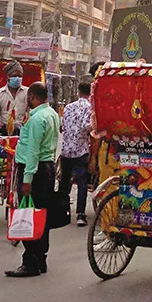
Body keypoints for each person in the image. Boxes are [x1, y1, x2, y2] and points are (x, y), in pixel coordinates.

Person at [5, 81, 60, 278]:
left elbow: (32, 151)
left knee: (29, 215)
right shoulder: (52, 114)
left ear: (32, 97)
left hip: (35, 172)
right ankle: (41, 259)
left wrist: (27, 179)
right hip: (47, 169)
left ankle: (30, 262)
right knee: (41, 215)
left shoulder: (37, 119)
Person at [59, 80, 93, 227]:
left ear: (78, 91)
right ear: (91, 93)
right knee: (81, 183)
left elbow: (63, 127)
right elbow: (87, 127)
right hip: (81, 150)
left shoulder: (68, 107)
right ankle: (80, 214)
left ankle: (61, 211)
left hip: (66, 150)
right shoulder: (90, 108)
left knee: (64, 182)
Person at [0, 60, 29, 135]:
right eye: (14, 76)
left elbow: (31, 112)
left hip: (22, 130)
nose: (17, 78)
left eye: (19, 76)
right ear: (8, 77)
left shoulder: (28, 92)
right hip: (4, 130)